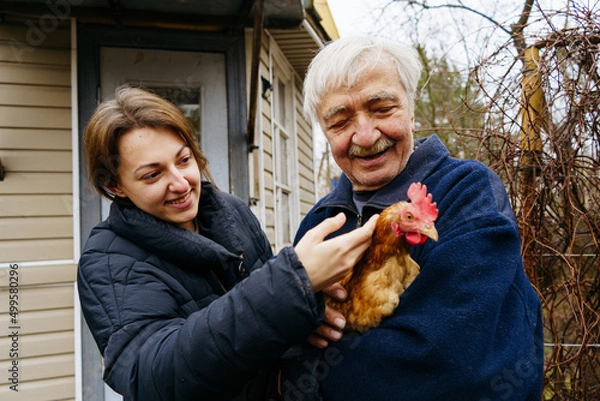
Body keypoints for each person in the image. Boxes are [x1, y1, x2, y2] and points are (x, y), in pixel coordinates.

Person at [77, 86, 379, 401]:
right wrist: (290, 285)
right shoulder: (108, 262)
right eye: (153, 175)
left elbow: (264, 318)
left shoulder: (231, 211)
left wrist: (307, 310)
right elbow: (157, 378)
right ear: (114, 184)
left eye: (183, 159)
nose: (181, 183)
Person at [290, 36, 545, 400]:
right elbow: (274, 338)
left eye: (381, 109)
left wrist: (307, 369)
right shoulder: (320, 222)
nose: (364, 135)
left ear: (411, 110)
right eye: (340, 121)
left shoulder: (468, 194)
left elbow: (451, 361)